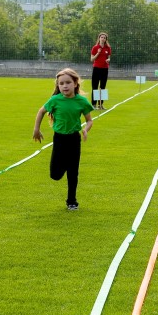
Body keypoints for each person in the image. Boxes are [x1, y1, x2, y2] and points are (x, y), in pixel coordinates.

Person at [33, 68, 94, 211]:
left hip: (74, 139)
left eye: (68, 83)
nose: (65, 86)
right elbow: (41, 111)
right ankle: (66, 164)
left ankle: (72, 201)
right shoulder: (55, 100)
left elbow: (89, 120)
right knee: (55, 175)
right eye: (61, 84)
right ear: (58, 86)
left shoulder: (81, 101)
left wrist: (85, 129)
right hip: (59, 139)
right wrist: (36, 129)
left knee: (73, 173)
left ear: (75, 84)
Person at [90, 32, 111, 110]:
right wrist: (98, 53)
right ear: (99, 38)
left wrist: (108, 60)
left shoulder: (108, 48)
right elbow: (92, 59)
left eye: (104, 38)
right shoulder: (95, 48)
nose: (103, 39)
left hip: (105, 69)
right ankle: (93, 104)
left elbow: (109, 57)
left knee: (103, 87)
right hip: (96, 69)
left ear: (106, 39)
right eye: (101, 37)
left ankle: (101, 105)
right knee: (95, 87)